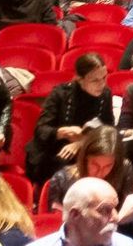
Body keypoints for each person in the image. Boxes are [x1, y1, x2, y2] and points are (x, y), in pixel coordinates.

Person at [29, 52, 118, 187]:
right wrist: (63, 132)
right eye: (95, 80)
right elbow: (41, 130)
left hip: (88, 149)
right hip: (54, 150)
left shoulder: (105, 94)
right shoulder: (60, 93)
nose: (102, 84)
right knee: (64, 164)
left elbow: (108, 128)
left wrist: (81, 143)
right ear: (79, 79)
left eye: (104, 77)